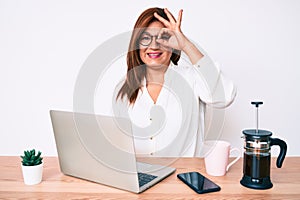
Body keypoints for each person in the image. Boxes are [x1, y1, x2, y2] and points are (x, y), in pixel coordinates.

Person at [114, 7, 236, 157]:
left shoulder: (192, 78)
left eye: (162, 37)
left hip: (184, 177)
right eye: (146, 38)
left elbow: (224, 96)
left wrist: (186, 45)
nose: (154, 46)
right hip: (140, 176)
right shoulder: (125, 89)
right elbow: (119, 145)